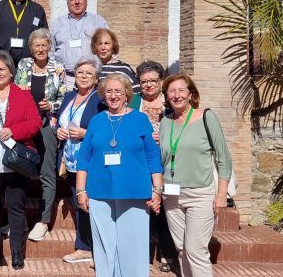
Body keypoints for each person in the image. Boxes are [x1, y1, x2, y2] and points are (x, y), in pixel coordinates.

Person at [75, 73, 163, 277]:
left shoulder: (140, 119)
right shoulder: (96, 121)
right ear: (103, 96)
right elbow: (84, 158)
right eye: (109, 92)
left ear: (127, 95)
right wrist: (81, 190)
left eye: (118, 91)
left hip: (134, 192)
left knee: (133, 245)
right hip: (98, 192)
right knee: (104, 246)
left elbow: (152, 156)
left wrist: (157, 189)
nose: (113, 96)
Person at [159, 73, 233, 277]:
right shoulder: (165, 122)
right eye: (171, 91)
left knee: (196, 250)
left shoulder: (207, 117)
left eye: (181, 90)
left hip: (201, 193)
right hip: (171, 195)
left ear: (191, 94)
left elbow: (223, 158)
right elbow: (163, 158)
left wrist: (221, 194)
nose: (176, 95)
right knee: (182, 248)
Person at [0, 50, 42, 270]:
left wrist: (13, 130)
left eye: (2, 69)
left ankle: (16, 253)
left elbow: (35, 123)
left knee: (15, 208)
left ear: (11, 72)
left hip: (15, 162)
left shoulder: (23, 95)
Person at [14, 28, 67, 241]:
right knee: (20, 170)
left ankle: (43, 220)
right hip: (25, 124)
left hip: (47, 124)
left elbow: (64, 98)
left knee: (46, 172)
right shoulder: (24, 65)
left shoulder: (58, 68)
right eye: (37, 45)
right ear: (31, 48)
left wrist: (50, 104)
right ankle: (18, 218)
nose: (41, 49)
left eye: (44, 45)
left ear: (49, 46)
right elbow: (16, 92)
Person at [56, 57, 107, 264]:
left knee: (91, 204)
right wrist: (58, 131)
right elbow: (61, 120)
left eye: (89, 73)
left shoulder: (100, 99)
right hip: (70, 161)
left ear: (96, 79)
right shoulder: (69, 96)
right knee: (80, 203)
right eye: (80, 73)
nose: (84, 76)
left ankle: (95, 249)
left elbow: (107, 128)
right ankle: (85, 247)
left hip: (90, 161)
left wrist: (86, 133)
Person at [132, 60, 176, 273]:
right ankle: (141, 254)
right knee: (141, 206)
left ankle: (167, 253)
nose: (148, 85)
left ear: (161, 81)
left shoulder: (171, 103)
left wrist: (165, 136)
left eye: (153, 81)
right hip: (138, 162)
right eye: (143, 82)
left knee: (163, 209)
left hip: (166, 162)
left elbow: (183, 126)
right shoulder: (133, 102)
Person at [51, 0, 109, 90]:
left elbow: (109, 48)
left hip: (93, 79)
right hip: (65, 79)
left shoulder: (99, 21)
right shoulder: (57, 23)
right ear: (67, 3)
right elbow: (51, 52)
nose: (77, 2)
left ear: (86, 1)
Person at [91, 28, 140, 93]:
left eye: (106, 43)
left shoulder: (123, 69)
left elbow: (137, 93)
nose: (103, 48)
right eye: (99, 44)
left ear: (113, 46)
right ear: (95, 47)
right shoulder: (90, 68)